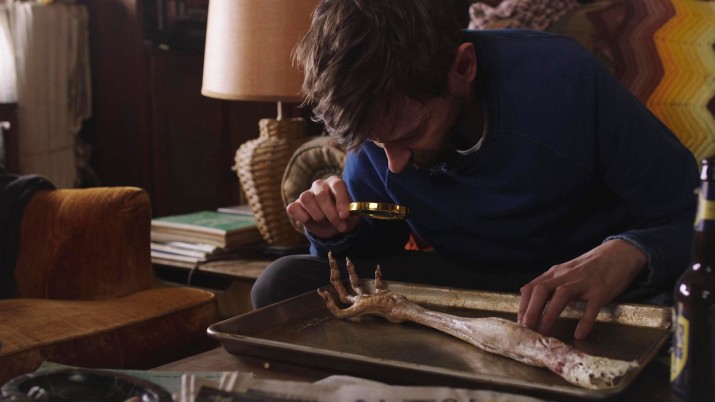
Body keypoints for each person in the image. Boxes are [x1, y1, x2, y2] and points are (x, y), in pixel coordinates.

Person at [251, 0, 699, 340]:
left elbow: (693, 216)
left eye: (411, 134)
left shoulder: (561, 77)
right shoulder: (379, 124)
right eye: (373, 142)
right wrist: (337, 230)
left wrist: (628, 252)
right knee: (285, 284)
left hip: (587, 292)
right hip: (470, 286)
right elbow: (377, 243)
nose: (394, 164)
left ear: (463, 67)